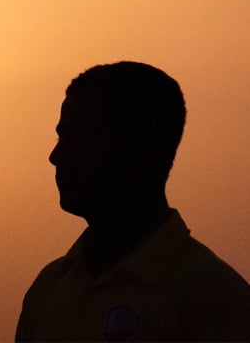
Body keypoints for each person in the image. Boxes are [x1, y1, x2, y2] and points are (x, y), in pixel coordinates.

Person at [15, 61, 250, 342]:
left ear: (139, 151)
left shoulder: (212, 297)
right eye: (60, 136)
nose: (56, 156)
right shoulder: (49, 288)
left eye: (79, 137)